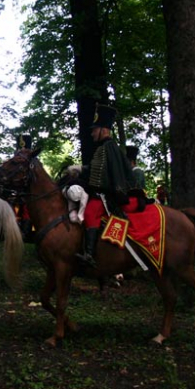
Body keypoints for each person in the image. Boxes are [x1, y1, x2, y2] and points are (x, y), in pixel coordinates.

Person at [77, 104, 135, 267]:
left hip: (106, 196)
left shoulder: (109, 148)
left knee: (89, 213)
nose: (92, 132)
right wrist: (80, 170)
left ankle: (89, 254)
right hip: (100, 193)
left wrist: (82, 170)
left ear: (104, 130)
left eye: (95, 129)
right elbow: (97, 171)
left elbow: (110, 176)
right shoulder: (104, 148)